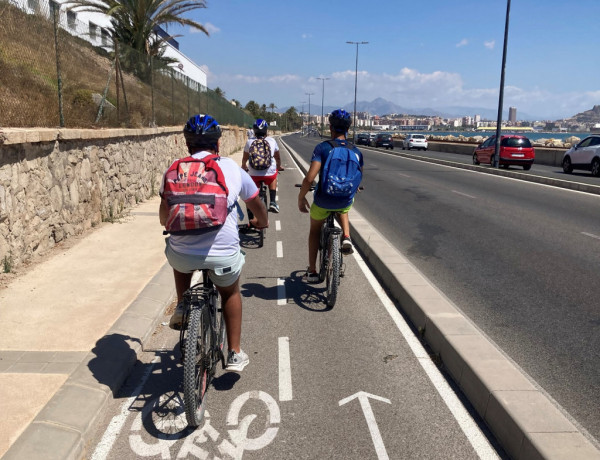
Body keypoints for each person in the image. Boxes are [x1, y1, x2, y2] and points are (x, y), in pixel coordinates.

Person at [159, 114, 268, 371]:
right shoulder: (232, 169)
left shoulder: (173, 169)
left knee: (177, 251)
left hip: (183, 255)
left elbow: (165, 218)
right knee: (230, 291)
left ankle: (183, 303)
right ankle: (235, 353)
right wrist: (261, 222)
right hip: (223, 253)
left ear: (187, 146)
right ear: (217, 144)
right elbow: (256, 204)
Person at [297, 109, 364, 283]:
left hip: (323, 199)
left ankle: (312, 271)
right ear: (348, 128)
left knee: (314, 231)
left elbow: (310, 178)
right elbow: (358, 177)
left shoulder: (323, 148)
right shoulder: (356, 151)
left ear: (331, 127)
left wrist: (301, 197)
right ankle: (346, 237)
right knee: (345, 205)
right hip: (344, 199)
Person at [242, 119, 282, 213]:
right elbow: (277, 157)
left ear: (254, 130)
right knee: (273, 177)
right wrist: (278, 166)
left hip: (253, 174)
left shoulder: (249, 142)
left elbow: (245, 158)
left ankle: (251, 208)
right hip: (269, 173)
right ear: (266, 130)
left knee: (252, 189)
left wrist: (243, 165)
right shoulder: (272, 141)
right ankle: (272, 202)